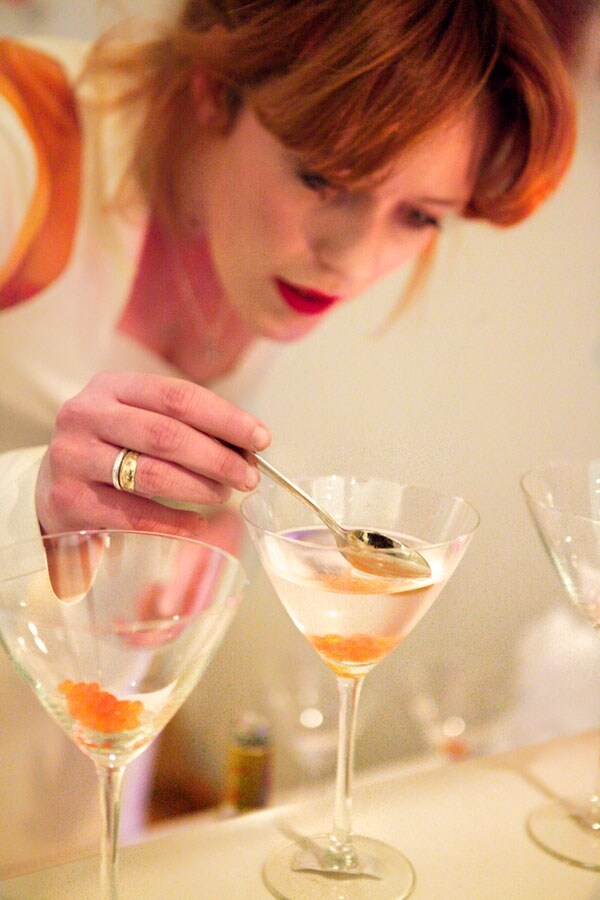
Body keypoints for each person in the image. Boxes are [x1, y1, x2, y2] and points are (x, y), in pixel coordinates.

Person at [0, 0, 577, 875]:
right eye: (322, 178)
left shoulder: (265, 246)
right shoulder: (19, 145)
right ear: (210, 93)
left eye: (418, 216)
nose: (352, 260)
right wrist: (30, 501)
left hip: (77, 803)